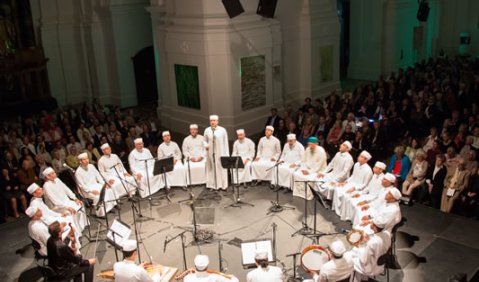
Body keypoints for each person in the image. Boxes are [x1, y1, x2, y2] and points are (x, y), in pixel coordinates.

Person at [42, 167, 88, 231]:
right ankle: (77, 230)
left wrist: (75, 198)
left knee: (80, 204)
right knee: (70, 211)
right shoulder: (46, 186)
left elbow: (66, 189)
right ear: (48, 176)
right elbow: (55, 201)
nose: (55, 174)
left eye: (54, 172)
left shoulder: (57, 180)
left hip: (66, 202)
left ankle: (83, 225)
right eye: (52, 173)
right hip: (57, 207)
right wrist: (67, 207)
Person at [349, 218, 391, 282]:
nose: (370, 223)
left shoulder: (372, 242)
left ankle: (356, 279)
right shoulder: (388, 234)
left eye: (371, 223)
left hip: (371, 267)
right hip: (381, 264)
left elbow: (363, 260)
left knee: (351, 254)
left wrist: (361, 244)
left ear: (374, 227)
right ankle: (363, 278)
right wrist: (368, 241)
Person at [74, 153, 117, 217]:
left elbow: (98, 176)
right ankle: (101, 214)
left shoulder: (91, 166)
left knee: (108, 189)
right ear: (80, 161)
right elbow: (81, 186)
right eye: (84, 159)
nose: (87, 160)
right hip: (86, 190)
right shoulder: (78, 172)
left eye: (87, 159)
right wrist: (91, 191)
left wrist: (104, 184)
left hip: (95, 185)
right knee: (97, 196)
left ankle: (108, 208)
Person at [332, 150, 373, 215]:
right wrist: (345, 182)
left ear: (366, 160)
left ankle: (344, 213)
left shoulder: (368, 170)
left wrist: (355, 188)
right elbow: (353, 176)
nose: (359, 157)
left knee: (346, 195)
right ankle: (337, 209)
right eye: (359, 156)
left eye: (361, 157)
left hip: (358, 188)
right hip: (351, 184)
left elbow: (365, 184)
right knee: (338, 188)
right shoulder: (356, 164)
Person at [203, 115, 229, 190]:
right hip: (211, 153)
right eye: (211, 121)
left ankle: (222, 185)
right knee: (212, 168)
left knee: (221, 168)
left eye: (214, 121)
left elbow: (225, 142)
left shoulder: (222, 130)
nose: (212, 122)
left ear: (217, 121)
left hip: (221, 153)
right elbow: (204, 140)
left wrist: (226, 154)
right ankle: (213, 185)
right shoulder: (207, 130)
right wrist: (206, 145)